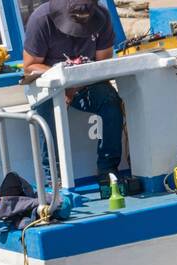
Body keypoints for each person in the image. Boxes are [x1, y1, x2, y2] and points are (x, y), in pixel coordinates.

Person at [21, 0, 123, 184]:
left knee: (110, 100)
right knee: (45, 108)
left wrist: (76, 84)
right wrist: (65, 82)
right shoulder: (41, 20)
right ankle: (53, 177)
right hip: (49, 84)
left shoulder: (103, 15)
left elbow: (102, 65)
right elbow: (29, 67)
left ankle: (108, 170)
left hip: (85, 82)